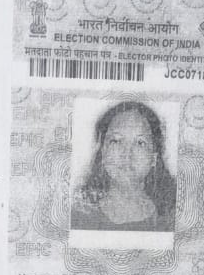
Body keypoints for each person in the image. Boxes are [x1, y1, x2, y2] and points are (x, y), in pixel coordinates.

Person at [70, 100, 178, 233]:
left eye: (140, 143)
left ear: (154, 158)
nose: (127, 154)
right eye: (116, 141)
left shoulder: (172, 219)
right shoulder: (78, 216)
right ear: (103, 152)